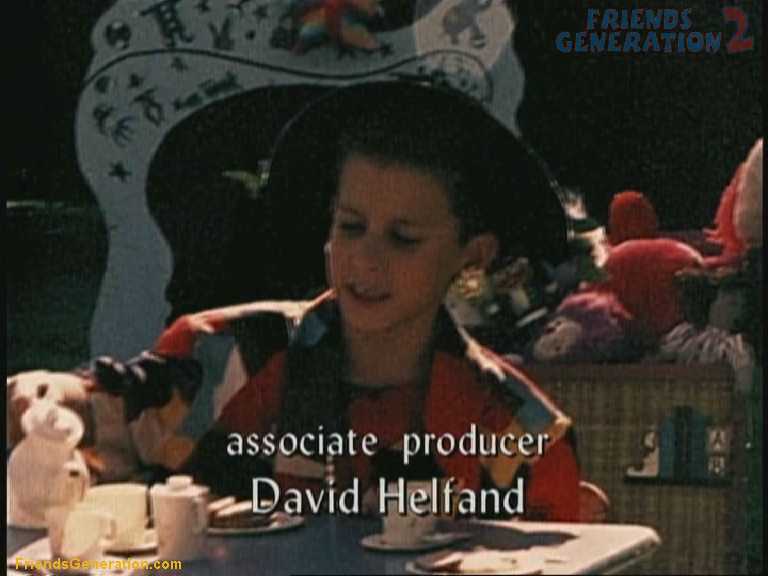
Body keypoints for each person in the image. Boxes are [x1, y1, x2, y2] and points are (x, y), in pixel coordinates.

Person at [9, 81, 582, 521]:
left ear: (472, 256)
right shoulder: (233, 357)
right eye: (351, 226)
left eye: (403, 238)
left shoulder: (516, 429)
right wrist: (51, 396)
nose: (365, 259)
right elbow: (117, 400)